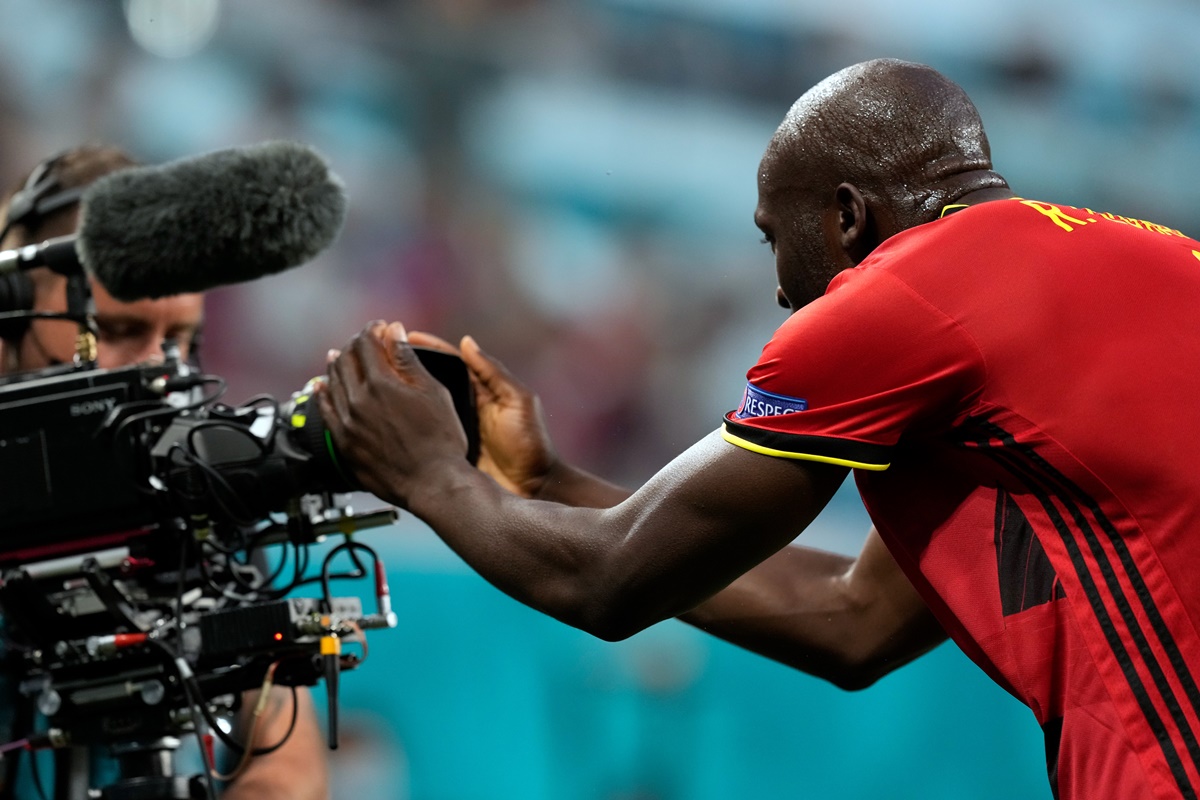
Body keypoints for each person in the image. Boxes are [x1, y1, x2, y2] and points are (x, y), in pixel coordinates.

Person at [320, 58, 1200, 800]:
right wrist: (552, 483)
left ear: (848, 218)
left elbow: (610, 584)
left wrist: (426, 473)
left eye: (775, 238)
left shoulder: (902, 296)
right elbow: (856, 622)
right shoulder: (1150, 262)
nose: (782, 292)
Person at [0, 145, 329, 800]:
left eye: (179, 339)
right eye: (118, 329)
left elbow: (287, 766)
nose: (158, 369)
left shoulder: (203, 508)